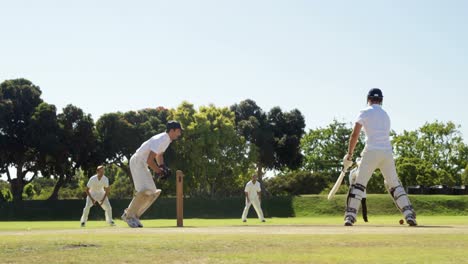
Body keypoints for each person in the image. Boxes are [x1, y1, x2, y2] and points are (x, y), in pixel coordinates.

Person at [343, 88, 417, 226]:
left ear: (368, 99)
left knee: (359, 183)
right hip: (387, 153)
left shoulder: (365, 112)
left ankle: (350, 217)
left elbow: (355, 134)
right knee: (394, 184)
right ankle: (409, 215)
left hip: (371, 151)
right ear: (381, 100)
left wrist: (350, 154)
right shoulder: (385, 115)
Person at [122, 120, 183, 228]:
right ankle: (129, 216)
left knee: (152, 192)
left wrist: (162, 166)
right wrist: (159, 171)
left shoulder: (167, 140)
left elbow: (159, 156)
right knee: (146, 190)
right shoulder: (162, 139)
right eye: (178, 131)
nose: (179, 134)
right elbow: (150, 160)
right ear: (172, 130)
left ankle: (133, 215)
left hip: (142, 163)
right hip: (138, 161)